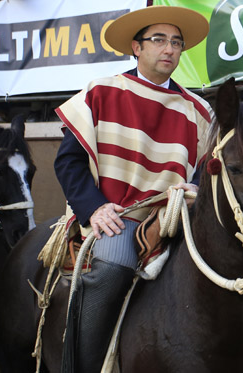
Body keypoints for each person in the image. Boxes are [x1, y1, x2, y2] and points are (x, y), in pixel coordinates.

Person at [53, 6, 212, 372]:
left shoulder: (200, 110)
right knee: (112, 268)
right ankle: (83, 366)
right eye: (158, 40)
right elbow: (68, 162)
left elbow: (206, 172)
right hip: (119, 214)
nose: (169, 49)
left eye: (175, 42)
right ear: (136, 48)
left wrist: (194, 190)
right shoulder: (102, 92)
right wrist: (93, 208)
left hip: (178, 215)